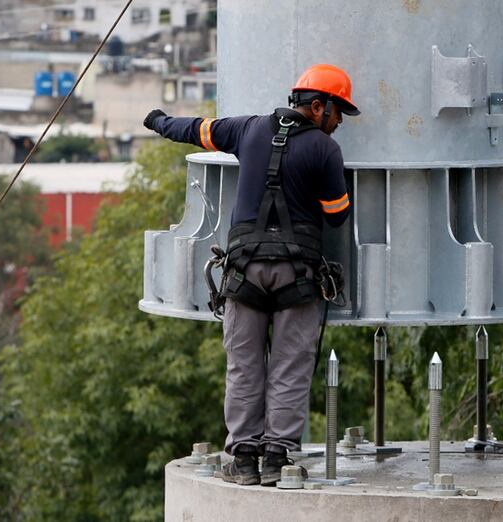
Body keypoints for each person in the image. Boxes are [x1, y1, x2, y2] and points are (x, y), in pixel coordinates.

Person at [143, 63, 359, 487]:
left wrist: (159, 122)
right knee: (290, 366)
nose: (338, 124)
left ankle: (243, 460)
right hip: (297, 276)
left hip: (242, 271)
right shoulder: (324, 149)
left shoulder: (247, 130)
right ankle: (277, 458)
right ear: (317, 107)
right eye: (337, 114)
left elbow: (198, 130)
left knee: (243, 366)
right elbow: (338, 216)